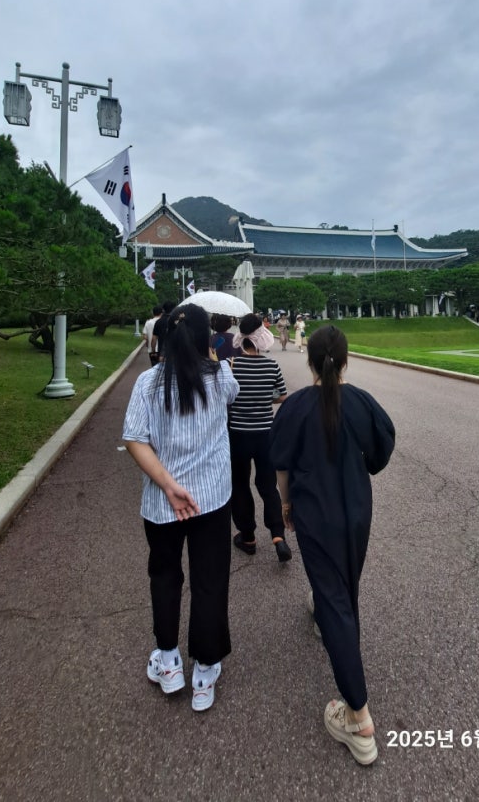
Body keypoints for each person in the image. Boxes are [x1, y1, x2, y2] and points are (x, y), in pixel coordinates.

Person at [269, 325, 395, 765]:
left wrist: (285, 503)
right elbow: (381, 452)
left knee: (335, 600)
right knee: (343, 585)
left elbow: (280, 465)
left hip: (314, 512)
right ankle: (325, 610)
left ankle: (358, 719)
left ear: (310, 360)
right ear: (345, 361)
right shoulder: (361, 402)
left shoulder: (295, 407)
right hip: (355, 510)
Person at [122, 303, 239, 712]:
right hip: (211, 499)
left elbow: (134, 438)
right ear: (208, 340)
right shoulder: (221, 377)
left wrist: (170, 487)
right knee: (210, 580)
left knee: (165, 576)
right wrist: (212, 353)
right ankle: (205, 670)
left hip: (162, 503)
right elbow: (231, 390)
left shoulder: (147, 383)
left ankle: (169, 660)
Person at [228, 313, 291, 562]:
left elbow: (226, 397)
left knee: (240, 484)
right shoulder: (271, 365)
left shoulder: (231, 365)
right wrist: (266, 398)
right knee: (267, 485)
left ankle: (248, 537)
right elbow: (282, 396)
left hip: (238, 434)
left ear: (242, 338)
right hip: (266, 433)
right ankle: (278, 536)